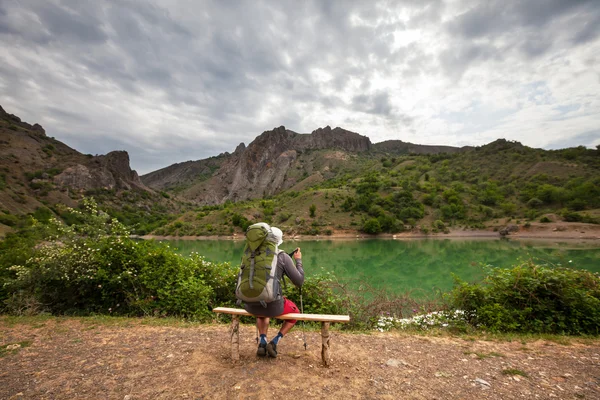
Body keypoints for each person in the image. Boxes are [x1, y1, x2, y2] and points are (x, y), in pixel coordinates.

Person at [242, 226, 304, 358]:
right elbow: (299, 281)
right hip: (273, 307)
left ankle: (262, 341)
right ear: (277, 241)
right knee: (296, 313)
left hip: (250, 305)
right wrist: (298, 261)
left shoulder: (251, 255)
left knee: (261, 310)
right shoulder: (282, 256)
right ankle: (275, 341)